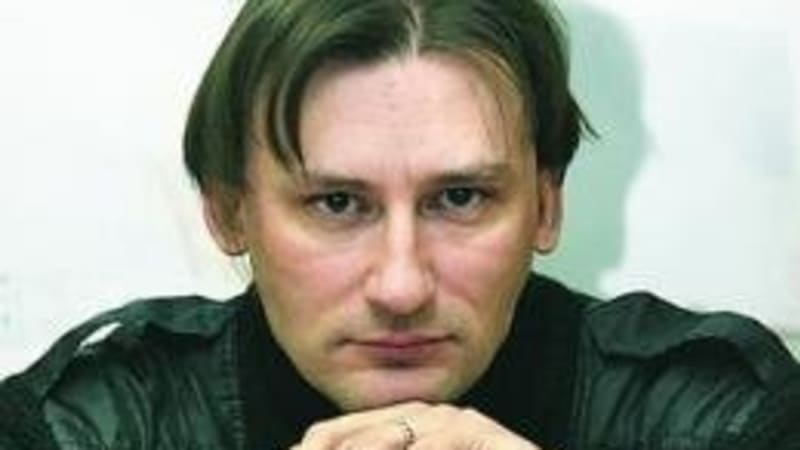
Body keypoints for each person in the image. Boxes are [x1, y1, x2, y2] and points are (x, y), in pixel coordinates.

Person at [1, 0, 799, 449]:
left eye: (461, 198)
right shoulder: (98, 424)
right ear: (228, 211)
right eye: (337, 204)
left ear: (547, 205)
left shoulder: (717, 416)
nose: (402, 286)